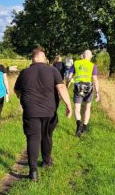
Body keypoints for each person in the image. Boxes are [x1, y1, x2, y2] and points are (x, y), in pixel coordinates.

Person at [13, 47, 73, 181]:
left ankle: (33, 171)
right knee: (46, 136)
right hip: (49, 111)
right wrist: (69, 105)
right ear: (44, 58)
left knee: (33, 138)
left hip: (31, 111)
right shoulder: (53, 71)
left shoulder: (25, 72)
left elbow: (16, 90)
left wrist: (21, 97)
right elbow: (61, 87)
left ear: (33, 59)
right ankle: (46, 162)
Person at [67, 49, 101, 137]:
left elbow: (69, 77)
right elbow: (95, 79)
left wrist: (66, 86)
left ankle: (79, 125)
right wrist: (97, 92)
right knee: (87, 108)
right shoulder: (92, 65)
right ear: (90, 57)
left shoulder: (76, 63)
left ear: (83, 55)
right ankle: (84, 128)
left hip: (78, 88)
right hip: (88, 89)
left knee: (77, 108)